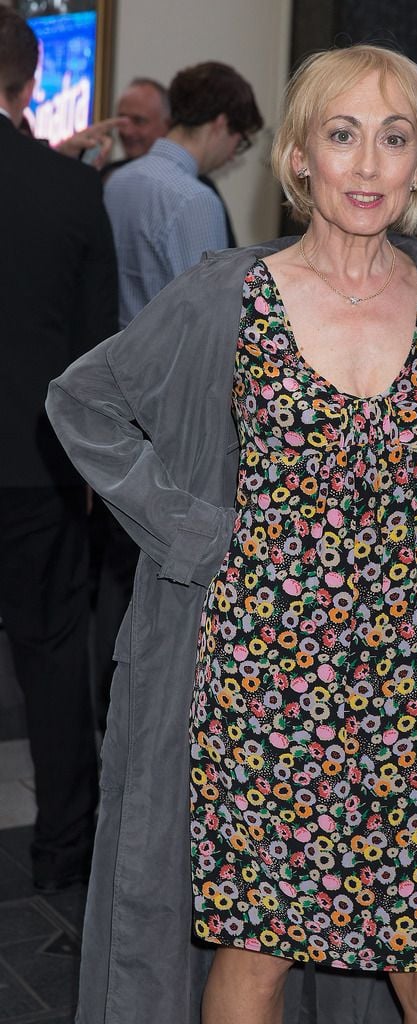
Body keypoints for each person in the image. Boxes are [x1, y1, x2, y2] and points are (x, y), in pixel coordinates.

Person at [47, 44, 417, 1024]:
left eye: (393, 137)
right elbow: (83, 401)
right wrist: (187, 528)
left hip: (407, 691)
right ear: (300, 158)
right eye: (344, 135)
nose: (369, 163)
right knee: (252, 962)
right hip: (259, 687)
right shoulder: (229, 297)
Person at [0, 8, 118, 891]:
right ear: (30, 81)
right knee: (51, 658)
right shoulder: (74, 192)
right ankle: (62, 852)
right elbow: (93, 356)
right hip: (38, 462)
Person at [104, 60, 262, 328]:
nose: (233, 156)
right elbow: (209, 316)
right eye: (240, 141)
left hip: (114, 355)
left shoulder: (117, 180)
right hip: (168, 365)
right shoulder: (194, 199)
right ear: (221, 124)